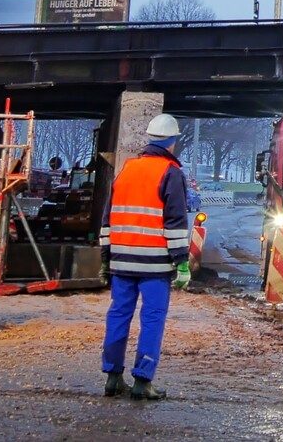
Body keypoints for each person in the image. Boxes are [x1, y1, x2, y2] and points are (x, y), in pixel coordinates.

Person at [99, 113, 191, 401]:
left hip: (121, 261)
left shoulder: (127, 169)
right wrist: (182, 263)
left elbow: (108, 217)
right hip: (154, 264)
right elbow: (175, 221)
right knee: (152, 319)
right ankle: (142, 382)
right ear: (173, 142)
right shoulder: (171, 173)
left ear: (150, 139)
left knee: (118, 315)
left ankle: (113, 378)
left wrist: (105, 257)